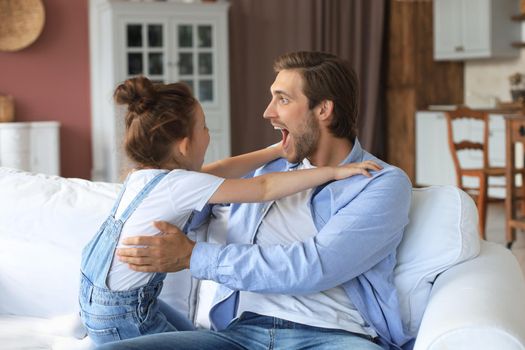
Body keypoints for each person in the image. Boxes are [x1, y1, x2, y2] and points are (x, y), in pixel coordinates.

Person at [99, 51, 413, 350]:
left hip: (333, 335)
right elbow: (185, 204)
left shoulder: (380, 182)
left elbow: (316, 265)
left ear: (323, 110)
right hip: (243, 335)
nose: (268, 112)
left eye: (283, 99)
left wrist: (195, 257)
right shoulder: (263, 173)